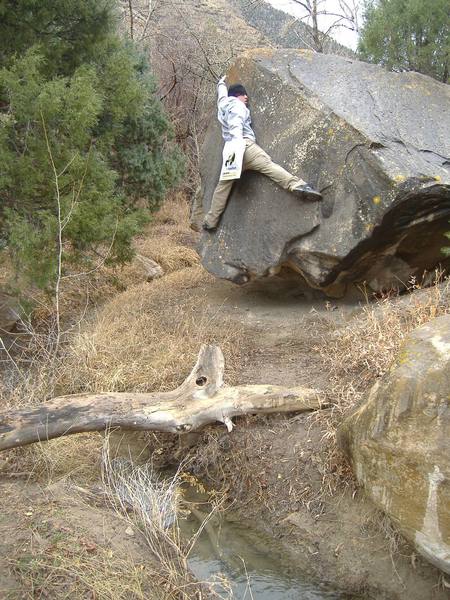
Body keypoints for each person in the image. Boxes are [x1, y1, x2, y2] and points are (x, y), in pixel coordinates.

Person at [201, 76, 322, 232]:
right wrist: (238, 142)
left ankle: (211, 221)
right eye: (244, 95)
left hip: (230, 152)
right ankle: (297, 185)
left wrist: (221, 84)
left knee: (223, 186)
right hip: (244, 146)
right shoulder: (238, 106)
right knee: (269, 166)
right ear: (237, 95)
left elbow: (222, 96)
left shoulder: (223, 104)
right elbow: (236, 123)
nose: (246, 98)